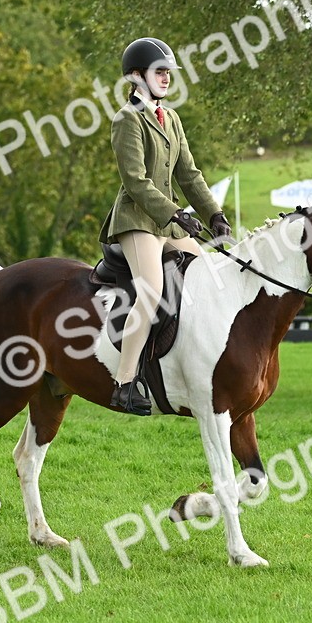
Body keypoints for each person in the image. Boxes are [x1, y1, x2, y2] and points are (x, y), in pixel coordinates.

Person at [98, 37, 233, 415]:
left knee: (207, 273)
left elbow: (189, 174)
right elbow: (135, 180)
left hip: (167, 225)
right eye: (160, 72)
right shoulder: (127, 120)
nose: (166, 78)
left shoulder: (170, 118)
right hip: (137, 220)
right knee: (152, 290)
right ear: (137, 76)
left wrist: (214, 215)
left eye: (168, 73)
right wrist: (174, 213)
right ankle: (124, 384)